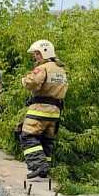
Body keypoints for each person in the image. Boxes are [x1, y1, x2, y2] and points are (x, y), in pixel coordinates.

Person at [20, 40, 68, 179]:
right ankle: (44, 170)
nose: (35, 56)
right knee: (47, 140)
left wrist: (24, 80)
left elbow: (33, 82)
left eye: (36, 53)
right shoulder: (61, 69)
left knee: (28, 136)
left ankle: (39, 165)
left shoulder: (43, 68)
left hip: (40, 109)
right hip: (55, 112)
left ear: (44, 53)